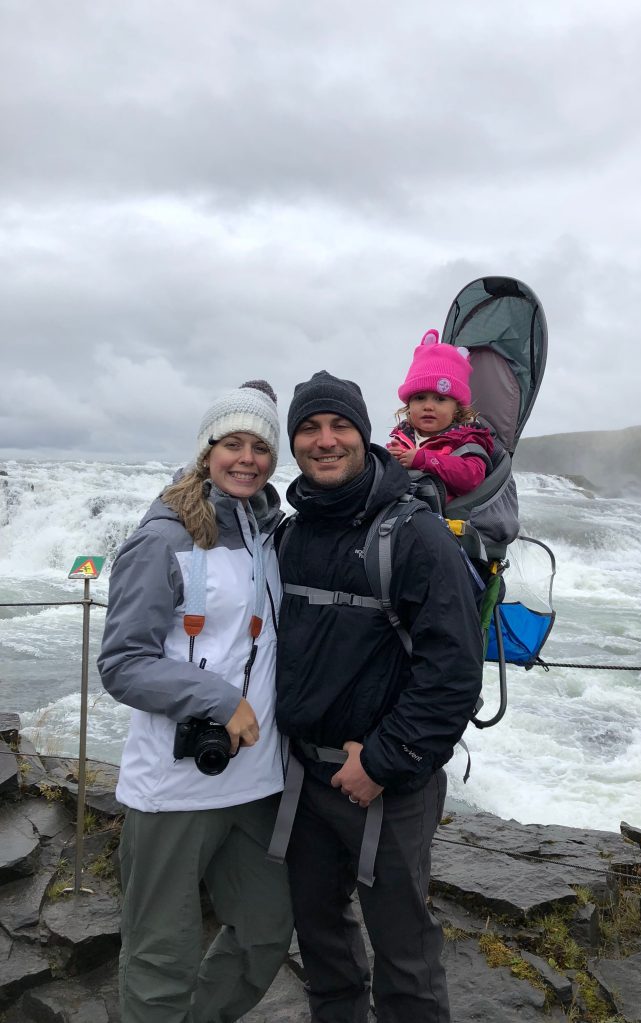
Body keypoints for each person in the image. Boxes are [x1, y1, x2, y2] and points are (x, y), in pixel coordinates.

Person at [270, 370, 484, 1023]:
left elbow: (454, 672)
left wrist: (383, 761)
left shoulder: (414, 535)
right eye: (310, 428)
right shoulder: (289, 533)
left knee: (405, 961)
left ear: (365, 436)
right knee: (324, 952)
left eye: (340, 427)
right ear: (294, 442)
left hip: (390, 785)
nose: (325, 440)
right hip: (304, 779)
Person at [98, 380, 293, 1023]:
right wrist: (217, 699)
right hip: (175, 787)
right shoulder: (162, 538)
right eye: (231, 443)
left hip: (257, 782)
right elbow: (123, 664)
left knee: (265, 934)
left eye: (260, 447)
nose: (247, 458)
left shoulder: (270, 535)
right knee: (161, 958)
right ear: (206, 450)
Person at [387, 329, 494, 503]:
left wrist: (425, 460)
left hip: (445, 522)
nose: (428, 406)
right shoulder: (402, 437)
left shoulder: (467, 439)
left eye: (440, 399)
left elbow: (471, 476)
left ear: (457, 408)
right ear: (408, 405)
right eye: (420, 398)